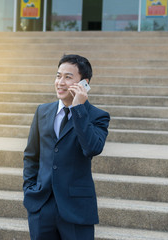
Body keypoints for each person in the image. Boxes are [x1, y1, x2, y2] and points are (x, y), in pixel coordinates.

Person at [23, 54, 110, 240]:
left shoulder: (98, 116)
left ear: (84, 83)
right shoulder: (42, 111)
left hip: (76, 209)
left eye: (68, 77)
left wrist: (78, 109)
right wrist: (30, 188)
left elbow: (92, 148)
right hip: (41, 205)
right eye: (58, 76)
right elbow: (31, 155)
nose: (60, 82)